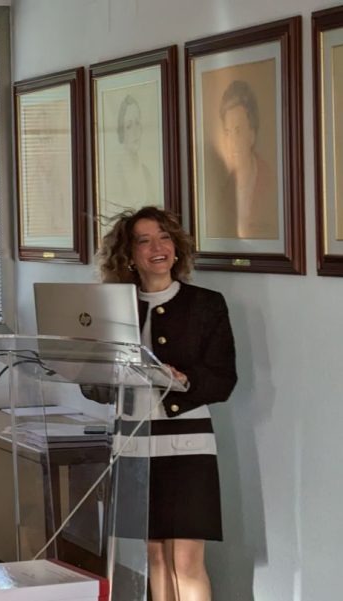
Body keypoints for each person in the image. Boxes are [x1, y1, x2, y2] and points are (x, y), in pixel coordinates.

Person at [97, 206, 237, 601]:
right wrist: (86, 371)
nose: (157, 247)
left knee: (186, 560)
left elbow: (223, 379)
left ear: (177, 248)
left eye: (164, 237)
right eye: (144, 241)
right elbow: (98, 386)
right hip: (134, 442)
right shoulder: (113, 306)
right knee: (156, 557)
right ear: (129, 254)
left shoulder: (206, 304)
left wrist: (185, 380)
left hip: (187, 443)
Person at [214, 79, 277, 239]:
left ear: (252, 134)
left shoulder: (272, 183)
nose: (232, 142)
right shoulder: (223, 193)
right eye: (228, 132)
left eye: (238, 131)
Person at [106, 94, 156, 214]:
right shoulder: (116, 176)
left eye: (137, 123)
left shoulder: (146, 173)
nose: (135, 131)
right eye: (129, 126)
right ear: (122, 133)